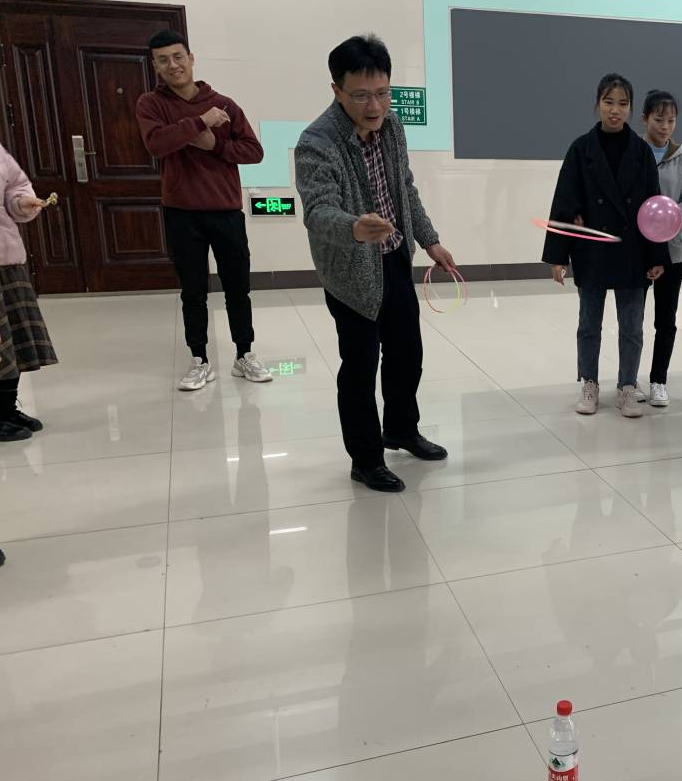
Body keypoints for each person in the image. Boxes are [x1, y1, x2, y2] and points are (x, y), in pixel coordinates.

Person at [295, 34, 455, 493]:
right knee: (360, 366)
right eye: (362, 95)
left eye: (383, 93)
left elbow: (405, 188)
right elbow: (317, 210)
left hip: (394, 258)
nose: (375, 106)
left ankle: (401, 429)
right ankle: (365, 459)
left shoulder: (393, 126)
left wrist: (430, 240)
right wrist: (353, 227)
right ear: (337, 90)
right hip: (349, 271)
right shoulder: (317, 142)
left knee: (407, 353)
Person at [136, 30, 270, 391]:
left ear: (191, 58)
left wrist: (214, 145)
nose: (172, 65)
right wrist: (199, 122)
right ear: (155, 66)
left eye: (178, 56)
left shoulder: (224, 104)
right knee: (192, 291)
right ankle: (200, 360)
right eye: (163, 60)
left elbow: (254, 152)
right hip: (182, 213)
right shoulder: (151, 104)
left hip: (225, 211)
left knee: (238, 287)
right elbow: (156, 144)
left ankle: (244, 354)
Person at [543, 72, 667, 419]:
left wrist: (657, 255)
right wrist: (558, 256)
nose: (615, 110)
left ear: (631, 109)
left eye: (623, 103)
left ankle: (627, 386)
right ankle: (590, 382)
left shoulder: (641, 152)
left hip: (632, 250)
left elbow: (653, 206)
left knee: (632, 326)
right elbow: (564, 203)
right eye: (609, 102)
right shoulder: (580, 149)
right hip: (592, 250)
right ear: (597, 104)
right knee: (588, 324)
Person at [0, 133, 56, 443]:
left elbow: (15, 184)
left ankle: (5, 409)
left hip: (6, 254)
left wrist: (22, 202)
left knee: (12, 336)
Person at [640, 89, 682, 407]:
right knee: (631, 321)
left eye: (671, 120)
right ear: (645, 119)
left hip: (673, 252)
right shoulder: (634, 153)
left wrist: (670, 217)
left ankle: (658, 381)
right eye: (659, 120)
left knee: (666, 321)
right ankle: (627, 380)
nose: (665, 127)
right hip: (637, 252)